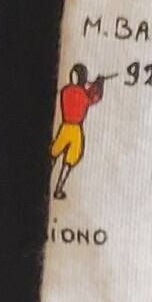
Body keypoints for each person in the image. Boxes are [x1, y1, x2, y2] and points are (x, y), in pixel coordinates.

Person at [49, 64, 104, 201]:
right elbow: (93, 98)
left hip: (64, 127)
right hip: (75, 130)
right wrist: (99, 85)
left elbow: (84, 94)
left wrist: (91, 86)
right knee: (70, 160)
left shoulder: (65, 90)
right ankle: (58, 188)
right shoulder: (82, 94)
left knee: (53, 153)